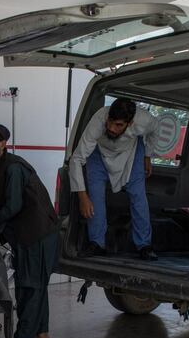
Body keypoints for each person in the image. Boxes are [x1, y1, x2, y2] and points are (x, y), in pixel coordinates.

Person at [0, 124, 59, 338]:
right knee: (34, 285)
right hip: (29, 234)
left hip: (37, 234)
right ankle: (41, 337)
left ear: (1, 143)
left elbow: (12, 206)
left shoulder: (13, 168)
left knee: (30, 287)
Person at [69, 97, 160, 260]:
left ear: (130, 123)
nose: (111, 128)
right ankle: (97, 243)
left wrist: (147, 156)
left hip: (131, 153)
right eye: (110, 122)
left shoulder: (144, 120)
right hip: (99, 154)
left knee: (138, 196)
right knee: (95, 196)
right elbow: (76, 159)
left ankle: (144, 245)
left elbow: (155, 130)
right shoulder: (99, 120)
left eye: (118, 125)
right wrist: (83, 197)